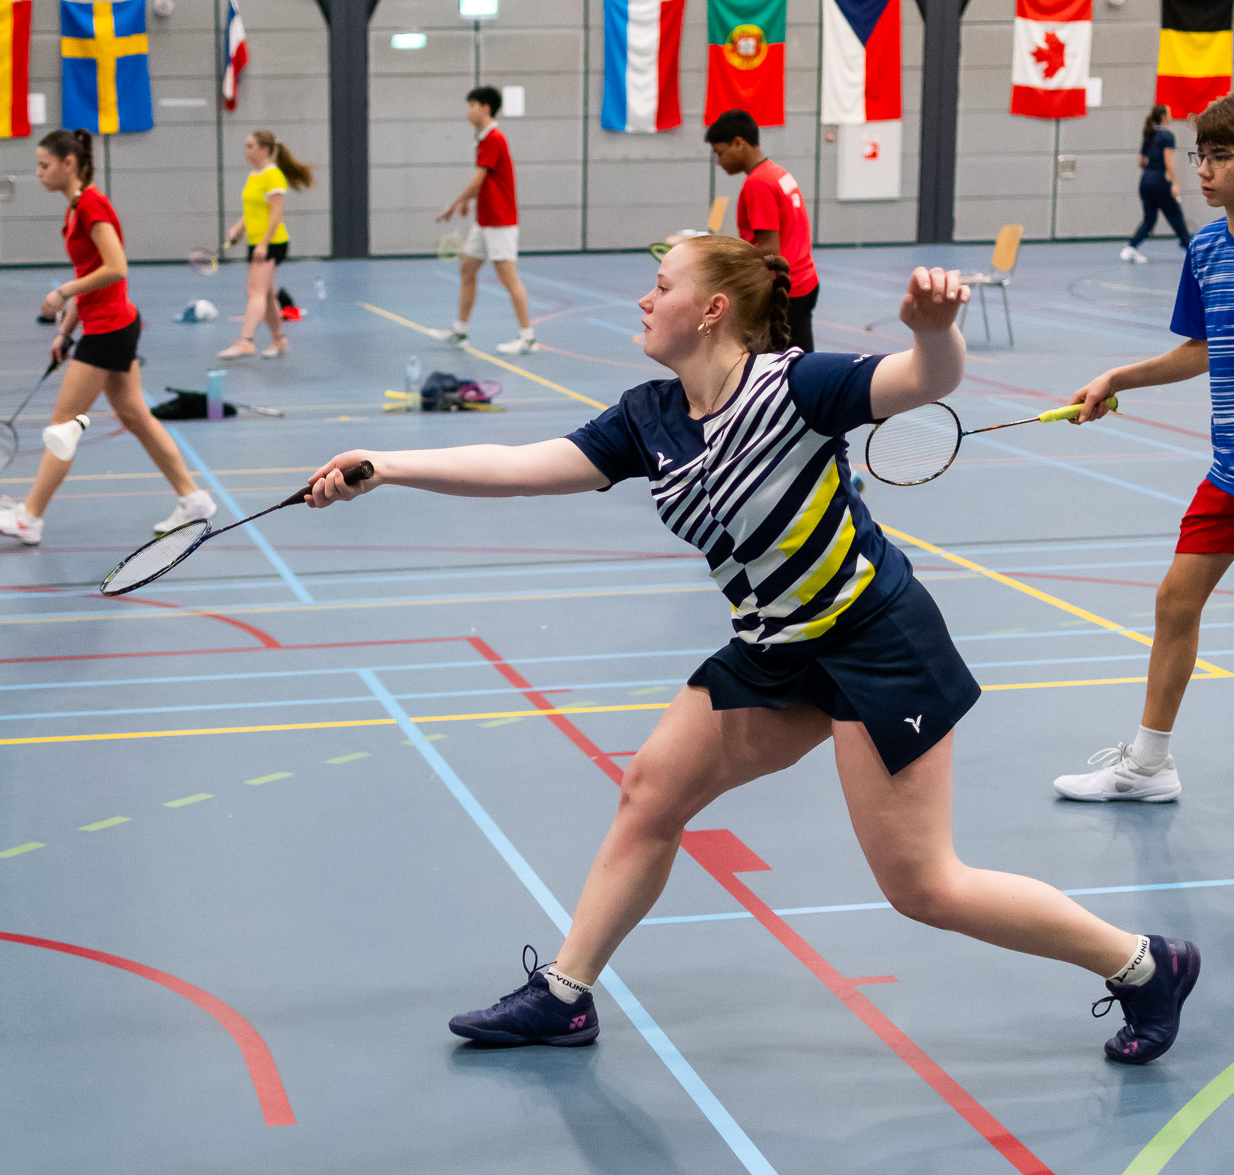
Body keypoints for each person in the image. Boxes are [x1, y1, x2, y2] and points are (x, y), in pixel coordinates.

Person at [306, 237, 1199, 1066]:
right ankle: (565, 996)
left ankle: (1144, 963)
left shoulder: (795, 387)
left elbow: (924, 379)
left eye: (662, 286)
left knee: (924, 885)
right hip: (774, 647)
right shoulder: (651, 416)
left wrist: (935, 332)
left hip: (877, 644)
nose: (644, 299)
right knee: (651, 792)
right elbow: (526, 465)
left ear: (712, 311)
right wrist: (387, 464)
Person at [1055, 94, 1234, 802]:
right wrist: (1117, 378)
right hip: (1229, 474)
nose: (1205, 171)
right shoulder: (1207, 250)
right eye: (1202, 156)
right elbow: (1202, 348)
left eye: (1221, 157)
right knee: (1173, 602)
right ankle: (1150, 766)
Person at [0, 128, 214, 545]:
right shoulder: (74, 209)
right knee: (135, 416)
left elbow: (116, 267)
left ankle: (29, 518)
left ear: (69, 164)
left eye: (44, 165)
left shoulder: (91, 205)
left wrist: (63, 293)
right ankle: (193, 500)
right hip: (110, 323)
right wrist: (66, 330)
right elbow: (90, 273)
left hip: (109, 329)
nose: (38, 173)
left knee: (62, 427)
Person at [706, 108, 819, 352]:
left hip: (786, 291)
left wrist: (724, 255)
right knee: (800, 359)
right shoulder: (777, 173)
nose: (719, 161)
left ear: (739, 143)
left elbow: (769, 249)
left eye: (720, 153)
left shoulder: (758, 183)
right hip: (805, 281)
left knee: (785, 365)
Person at [433, 86, 536, 355]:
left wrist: (454, 205)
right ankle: (460, 330)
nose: (469, 112)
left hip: (500, 221)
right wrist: (469, 203)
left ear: (485, 108)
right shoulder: (485, 139)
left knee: (508, 278)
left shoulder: (493, 138)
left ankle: (527, 337)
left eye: (472, 106)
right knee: (468, 269)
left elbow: (478, 180)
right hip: (485, 220)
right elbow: (488, 182)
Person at [218, 130, 314, 360]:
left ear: (263, 149)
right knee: (267, 294)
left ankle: (246, 341)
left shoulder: (273, 176)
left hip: (272, 242)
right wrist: (238, 229)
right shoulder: (255, 175)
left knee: (255, 292)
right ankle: (279, 340)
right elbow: (254, 210)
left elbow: (276, 214)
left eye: (250, 146)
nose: (246, 150)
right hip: (257, 241)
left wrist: (263, 243)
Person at [1121, 104, 1190, 264]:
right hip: (1160, 182)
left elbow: (1141, 162)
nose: (1171, 115)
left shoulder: (1149, 134)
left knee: (1149, 219)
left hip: (1145, 181)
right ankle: (1191, 248)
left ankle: (1130, 248)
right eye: (1170, 113)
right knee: (1176, 216)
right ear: (1164, 117)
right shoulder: (1167, 135)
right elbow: (1169, 163)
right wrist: (1174, 183)